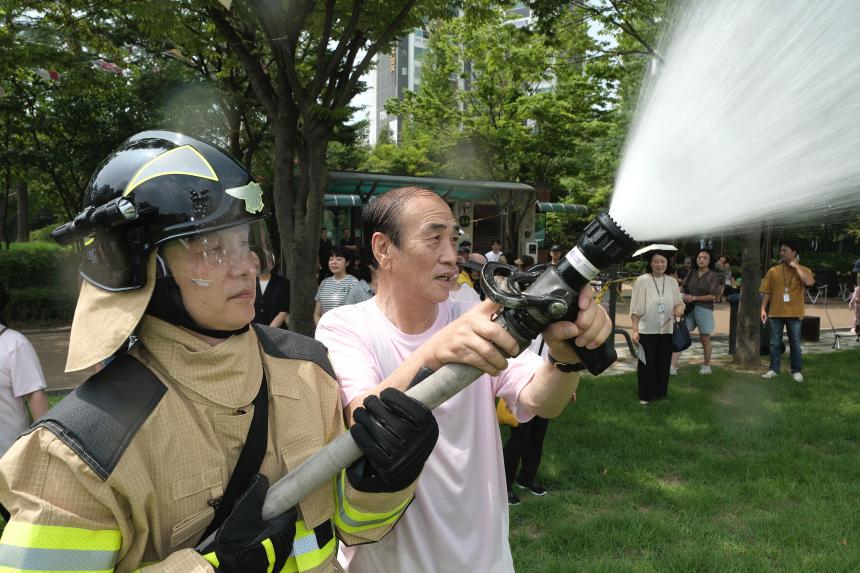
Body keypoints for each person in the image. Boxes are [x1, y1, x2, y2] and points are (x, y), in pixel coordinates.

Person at [0, 131, 438, 572]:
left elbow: (350, 524)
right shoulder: (79, 448)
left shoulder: (308, 369)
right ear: (137, 264)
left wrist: (384, 480)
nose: (246, 265)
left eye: (246, 242)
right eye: (211, 248)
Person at [316, 186, 612, 573]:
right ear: (383, 249)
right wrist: (434, 352)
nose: (451, 255)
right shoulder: (344, 326)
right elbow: (362, 418)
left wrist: (565, 359)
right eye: (434, 238)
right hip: (388, 561)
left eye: (453, 240)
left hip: (484, 558)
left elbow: (541, 401)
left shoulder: (470, 311)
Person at [0, 281, 50, 522]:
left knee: (20, 524)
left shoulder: (14, 344)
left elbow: (35, 396)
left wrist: (45, 448)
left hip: (9, 462)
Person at [630, 248, 685, 403]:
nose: (659, 264)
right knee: (646, 364)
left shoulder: (672, 281)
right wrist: (635, 330)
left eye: (662, 261)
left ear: (667, 263)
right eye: (656, 261)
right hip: (647, 330)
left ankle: (661, 395)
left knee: (663, 363)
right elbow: (635, 308)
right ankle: (645, 396)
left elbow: (679, 303)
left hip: (667, 330)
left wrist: (680, 308)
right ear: (650, 263)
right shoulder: (642, 280)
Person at [760, 241, 815, 381]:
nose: (781, 253)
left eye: (785, 250)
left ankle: (796, 370)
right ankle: (774, 370)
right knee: (774, 343)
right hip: (775, 313)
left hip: (795, 313)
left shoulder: (804, 270)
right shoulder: (773, 271)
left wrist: (795, 266)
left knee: (795, 343)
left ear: (794, 252)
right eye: (781, 250)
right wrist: (763, 308)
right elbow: (766, 291)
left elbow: (809, 282)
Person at [672, 249, 721, 375]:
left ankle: (706, 366)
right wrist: (678, 295)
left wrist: (694, 298)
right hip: (689, 309)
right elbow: (682, 286)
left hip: (704, 310)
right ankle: (672, 367)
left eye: (705, 258)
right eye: (699, 257)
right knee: (681, 335)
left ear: (710, 261)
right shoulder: (692, 272)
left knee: (704, 338)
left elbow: (713, 296)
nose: (701, 260)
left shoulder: (712, 276)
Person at [314, 246, 360, 325]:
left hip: (344, 330)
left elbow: (359, 313)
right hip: (324, 330)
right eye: (331, 259)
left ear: (347, 262)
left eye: (338, 259)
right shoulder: (324, 283)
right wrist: (321, 328)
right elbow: (317, 313)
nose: (333, 262)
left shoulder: (353, 283)